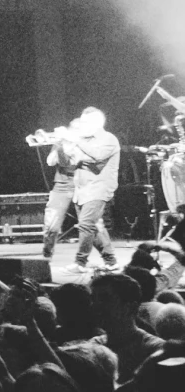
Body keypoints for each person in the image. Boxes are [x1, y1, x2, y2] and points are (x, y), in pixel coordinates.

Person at [36, 107, 122, 271]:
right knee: (93, 227)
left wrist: (73, 139)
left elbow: (97, 155)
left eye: (85, 122)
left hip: (99, 188)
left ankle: (80, 262)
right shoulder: (84, 140)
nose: (82, 125)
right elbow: (67, 163)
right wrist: (61, 145)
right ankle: (111, 261)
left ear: (96, 123)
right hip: (81, 189)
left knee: (85, 225)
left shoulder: (108, 139)